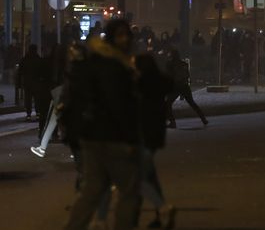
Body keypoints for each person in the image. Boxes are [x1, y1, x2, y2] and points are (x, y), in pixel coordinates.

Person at [62, 19, 141, 230]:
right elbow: (118, 104)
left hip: (90, 134)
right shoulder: (115, 65)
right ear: (112, 38)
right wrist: (131, 137)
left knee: (92, 190)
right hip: (111, 136)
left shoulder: (97, 61)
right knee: (130, 189)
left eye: (126, 35)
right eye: (120, 35)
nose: (124, 39)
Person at [136, 54, 176, 229]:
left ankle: (163, 209)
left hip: (143, 134)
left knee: (138, 176)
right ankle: (162, 212)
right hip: (154, 134)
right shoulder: (159, 83)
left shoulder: (142, 85)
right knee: (149, 175)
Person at [165, 49, 208, 129]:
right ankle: (203, 118)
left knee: (167, 103)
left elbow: (169, 76)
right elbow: (187, 75)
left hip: (176, 87)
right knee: (192, 103)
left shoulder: (170, 64)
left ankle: (172, 122)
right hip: (184, 86)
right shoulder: (184, 64)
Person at [18, 45, 42, 121]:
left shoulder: (25, 59)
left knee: (28, 99)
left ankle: (28, 114)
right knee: (37, 99)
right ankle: (37, 113)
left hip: (27, 82)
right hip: (36, 83)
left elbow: (20, 71)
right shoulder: (38, 59)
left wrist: (19, 82)